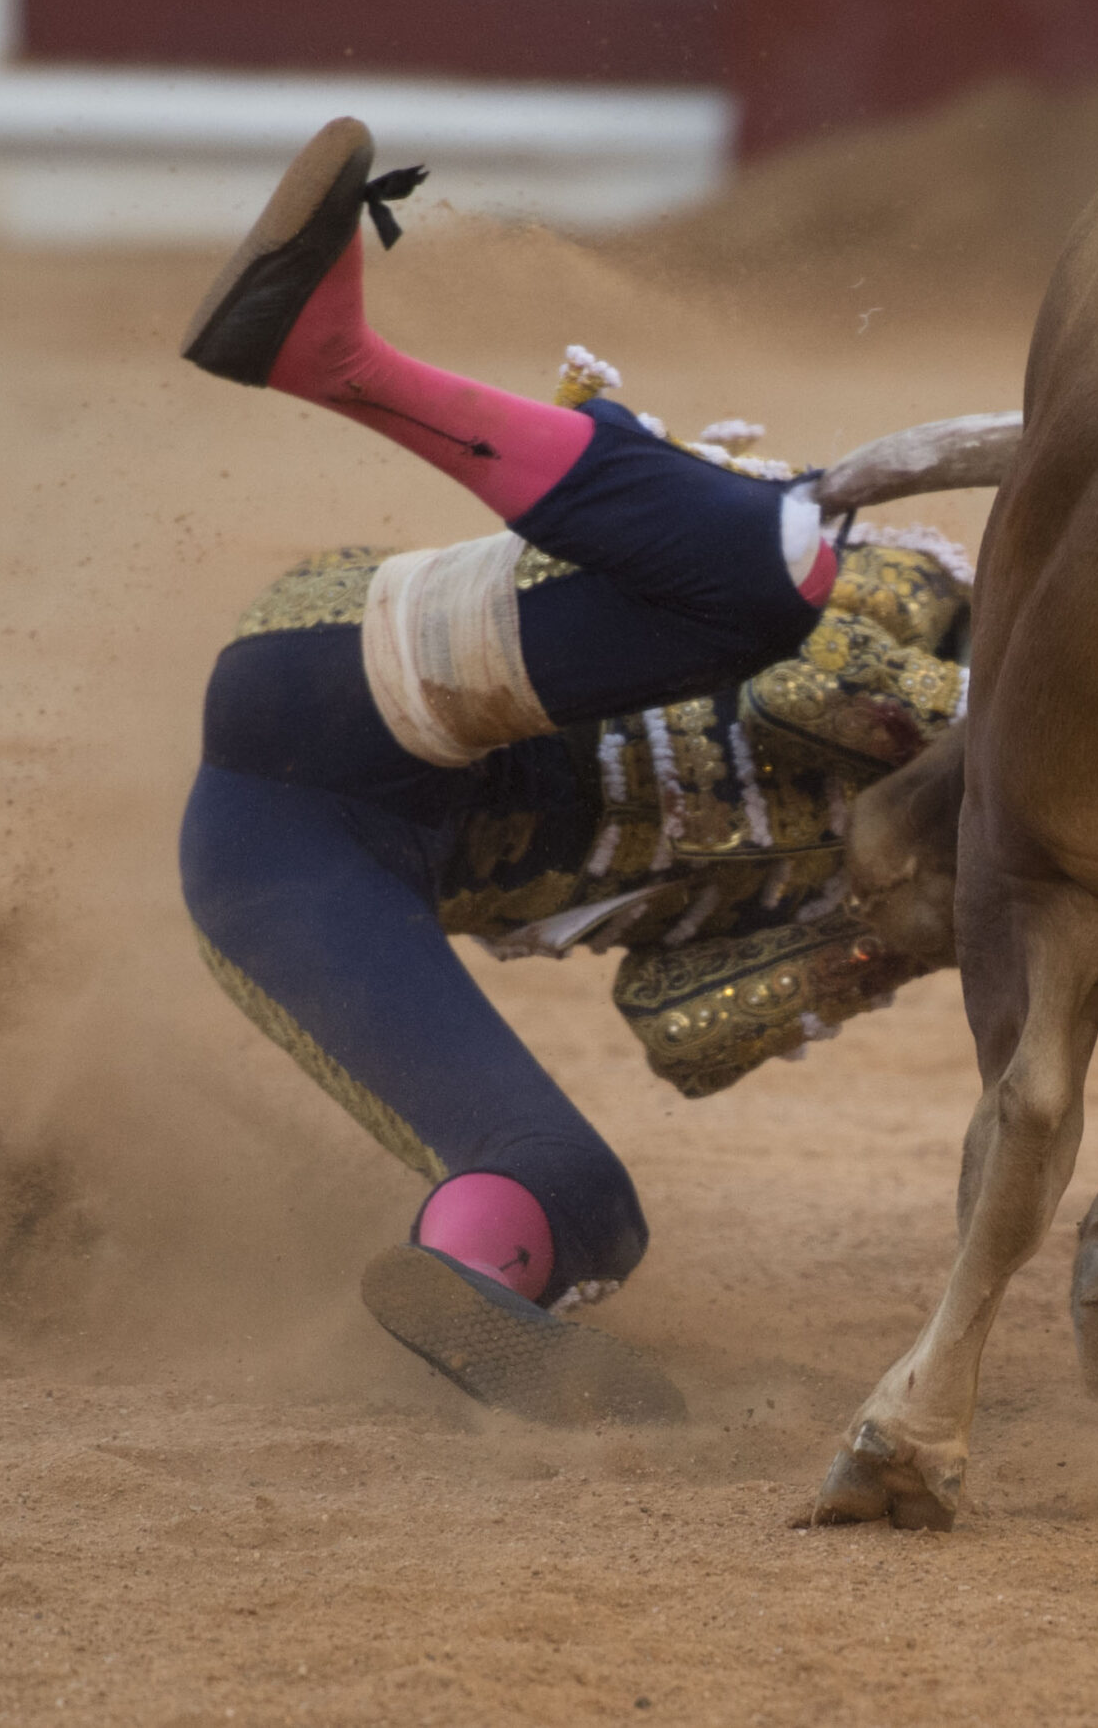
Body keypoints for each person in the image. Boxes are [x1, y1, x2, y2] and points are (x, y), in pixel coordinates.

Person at [178, 121, 969, 1424]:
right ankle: (335, 358)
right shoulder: (928, 600)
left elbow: (673, 1020)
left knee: (576, 1196)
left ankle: (461, 1288)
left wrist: (886, 945)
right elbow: (807, 687)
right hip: (365, 691)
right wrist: (991, 754)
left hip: (285, 869)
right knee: (774, 579)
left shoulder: (908, 883)